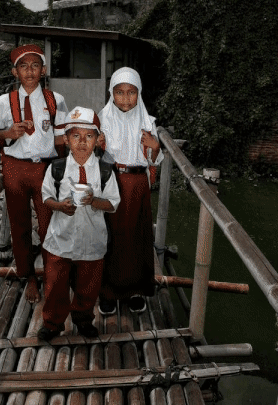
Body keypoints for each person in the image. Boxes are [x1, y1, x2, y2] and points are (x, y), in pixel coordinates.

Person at [0, 44, 68, 303]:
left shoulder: (56, 100)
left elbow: (61, 138)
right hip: (15, 167)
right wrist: (8, 133)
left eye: (35, 66)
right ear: (14, 72)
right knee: (19, 224)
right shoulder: (3, 102)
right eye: (24, 66)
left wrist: (67, 169)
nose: (30, 71)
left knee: (48, 225)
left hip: (45, 167)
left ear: (43, 70)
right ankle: (28, 276)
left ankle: (52, 272)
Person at [37, 106, 120, 340]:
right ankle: (52, 323)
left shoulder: (105, 170)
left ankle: (83, 319)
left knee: (88, 285)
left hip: (92, 239)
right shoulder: (57, 168)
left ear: (97, 140)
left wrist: (95, 201)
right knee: (55, 285)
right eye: (76, 136)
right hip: (60, 238)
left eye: (89, 136)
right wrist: (60, 206)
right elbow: (46, 197)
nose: (82, 142)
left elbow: (113, 203)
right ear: (66, 139)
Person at [97, 67, 163, 315]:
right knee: (110, 237)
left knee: (137, 237)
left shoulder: (148, 123)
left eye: (131, 92)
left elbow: (154, 161)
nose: (125, 98)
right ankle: (108, 292)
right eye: (120, 92)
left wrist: (154, 148)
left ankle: (136, 290)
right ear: (111, 93)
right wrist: (98, 146)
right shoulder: (101, 120)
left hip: (137, 185)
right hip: (111, 182)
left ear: (139, 94)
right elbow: (90, 157)